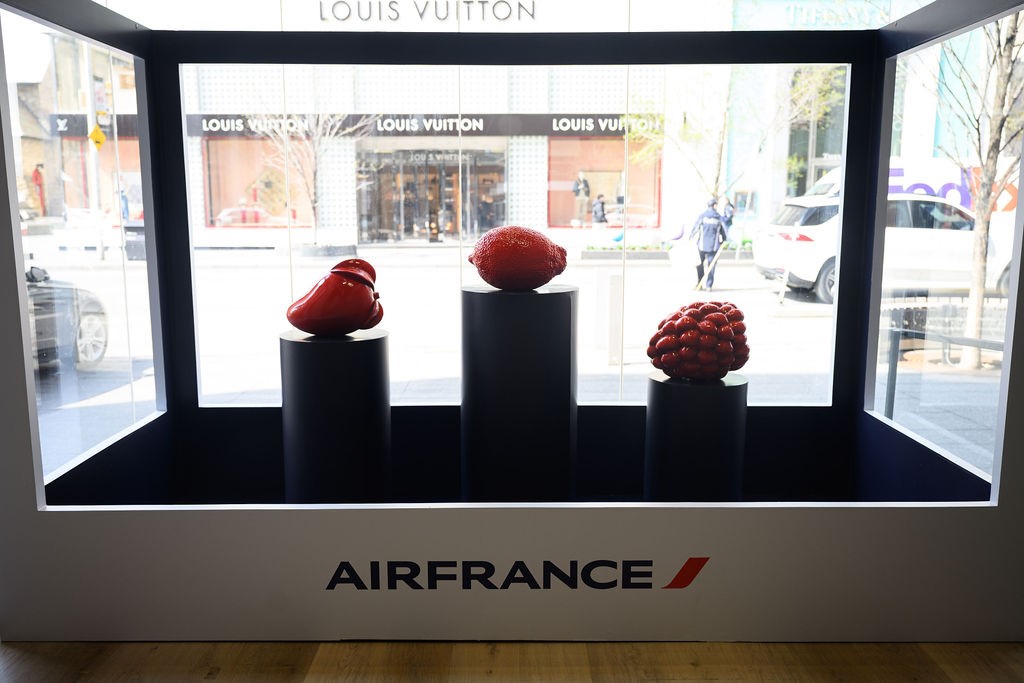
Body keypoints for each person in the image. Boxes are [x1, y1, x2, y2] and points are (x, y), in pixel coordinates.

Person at [689, 198, 728, 291]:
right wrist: (724, 240)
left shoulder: (703, 216)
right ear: (714, 206)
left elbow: (695, 228)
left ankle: (700, 283)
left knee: (699, 264)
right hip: (714, 247)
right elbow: (725, 231)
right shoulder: (718, 217)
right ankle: (709, 285)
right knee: (711, 266)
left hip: (701, 245)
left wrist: (690, 237)